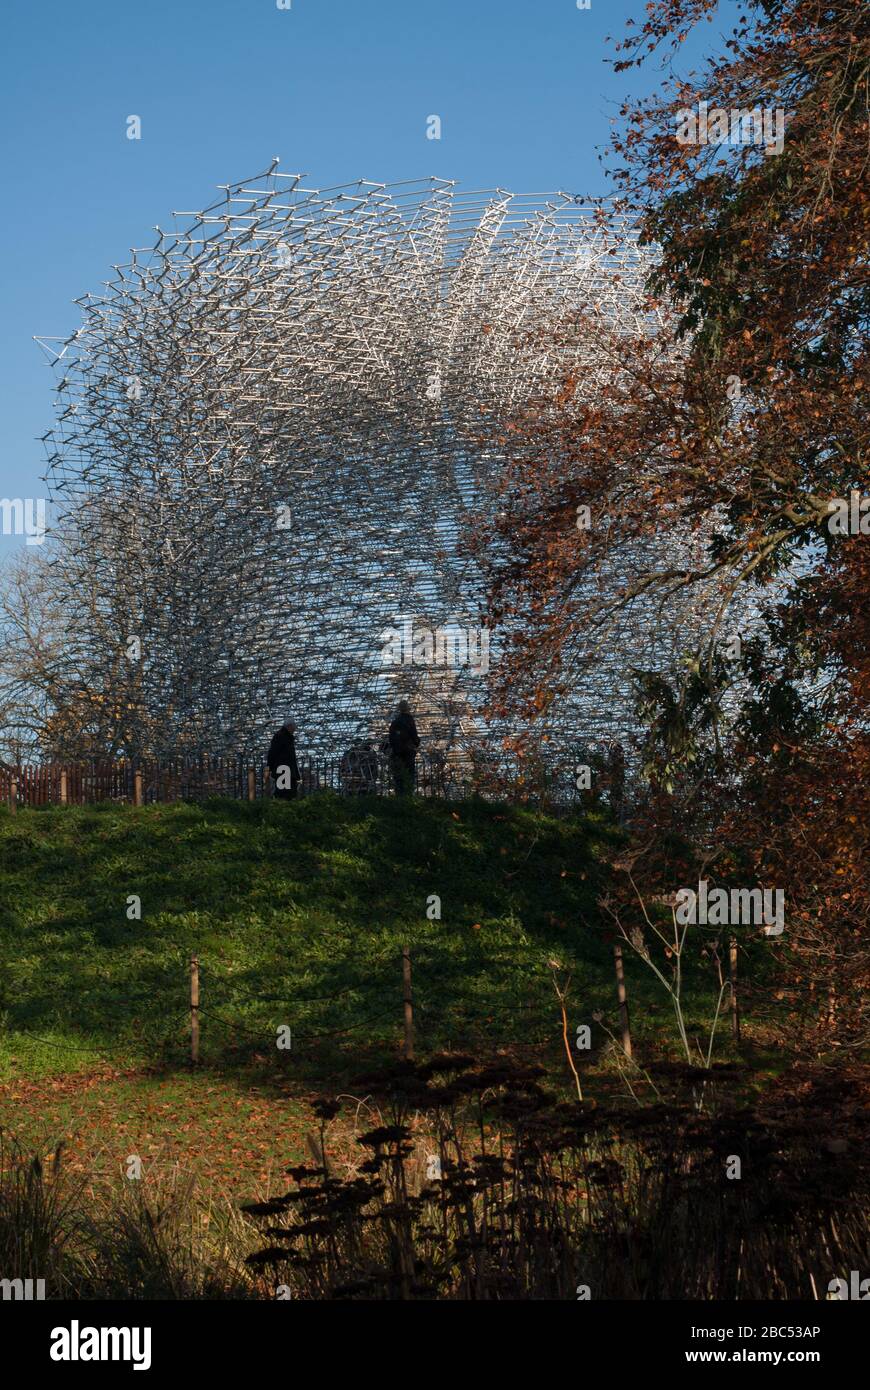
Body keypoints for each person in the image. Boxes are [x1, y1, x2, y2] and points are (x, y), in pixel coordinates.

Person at [388, 700, 420, 796]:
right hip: (408, 752)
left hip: (397, 753)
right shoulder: (409, 719)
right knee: (409, 776)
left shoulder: (395, 722)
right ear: (408, 709)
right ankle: (408, 796)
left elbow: (391, 739)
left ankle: (399, 797)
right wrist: (417, 742)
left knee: (398, 777)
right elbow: (414, 735)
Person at [267, 718, 300, 800]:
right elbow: (273, 752)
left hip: (287, 771)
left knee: (289, 794)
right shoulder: (281, 736)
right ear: (289, 726)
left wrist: (296, 774)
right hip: (283, 770)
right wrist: (270, 767)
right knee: (283, 794)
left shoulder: (287, 737)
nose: (295, 729)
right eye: (294, 727)